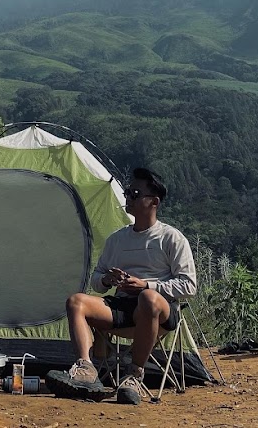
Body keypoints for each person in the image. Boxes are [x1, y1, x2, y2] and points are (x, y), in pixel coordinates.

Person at [45, 167, 197, 405]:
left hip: (159, 312)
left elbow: (188, 285)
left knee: (148, 298)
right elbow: (97, 278)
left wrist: (146, 285)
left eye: (135, 193)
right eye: (128, 192)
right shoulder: (117, 239)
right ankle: (86, 369)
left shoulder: (171, 238)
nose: (128, 197)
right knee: (76, 302)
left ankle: (134, 375)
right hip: (122, 307)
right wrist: (107, 280)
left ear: (153, 202)